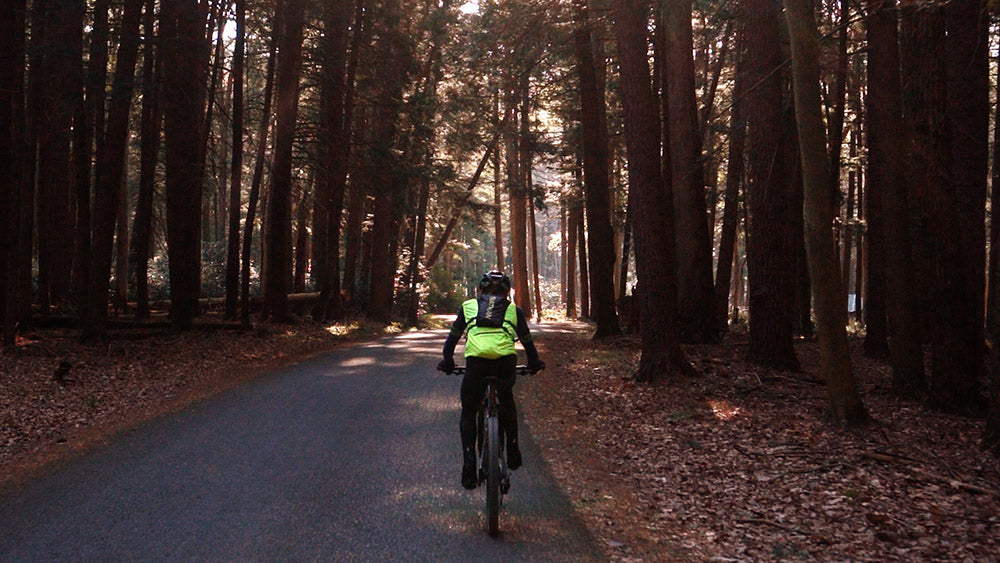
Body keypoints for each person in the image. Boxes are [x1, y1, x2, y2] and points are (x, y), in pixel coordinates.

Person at [437, 270, 545, 490]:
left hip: (476, 363)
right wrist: (534, 364)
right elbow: (527, 343)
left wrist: (447, 362)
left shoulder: (468, 307)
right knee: (506, 399)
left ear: (481, 290)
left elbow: (451, 341)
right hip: (505, 362)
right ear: (507, 292)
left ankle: (469, 464)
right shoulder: (514, 310)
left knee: (469, 411)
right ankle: (513, 448)